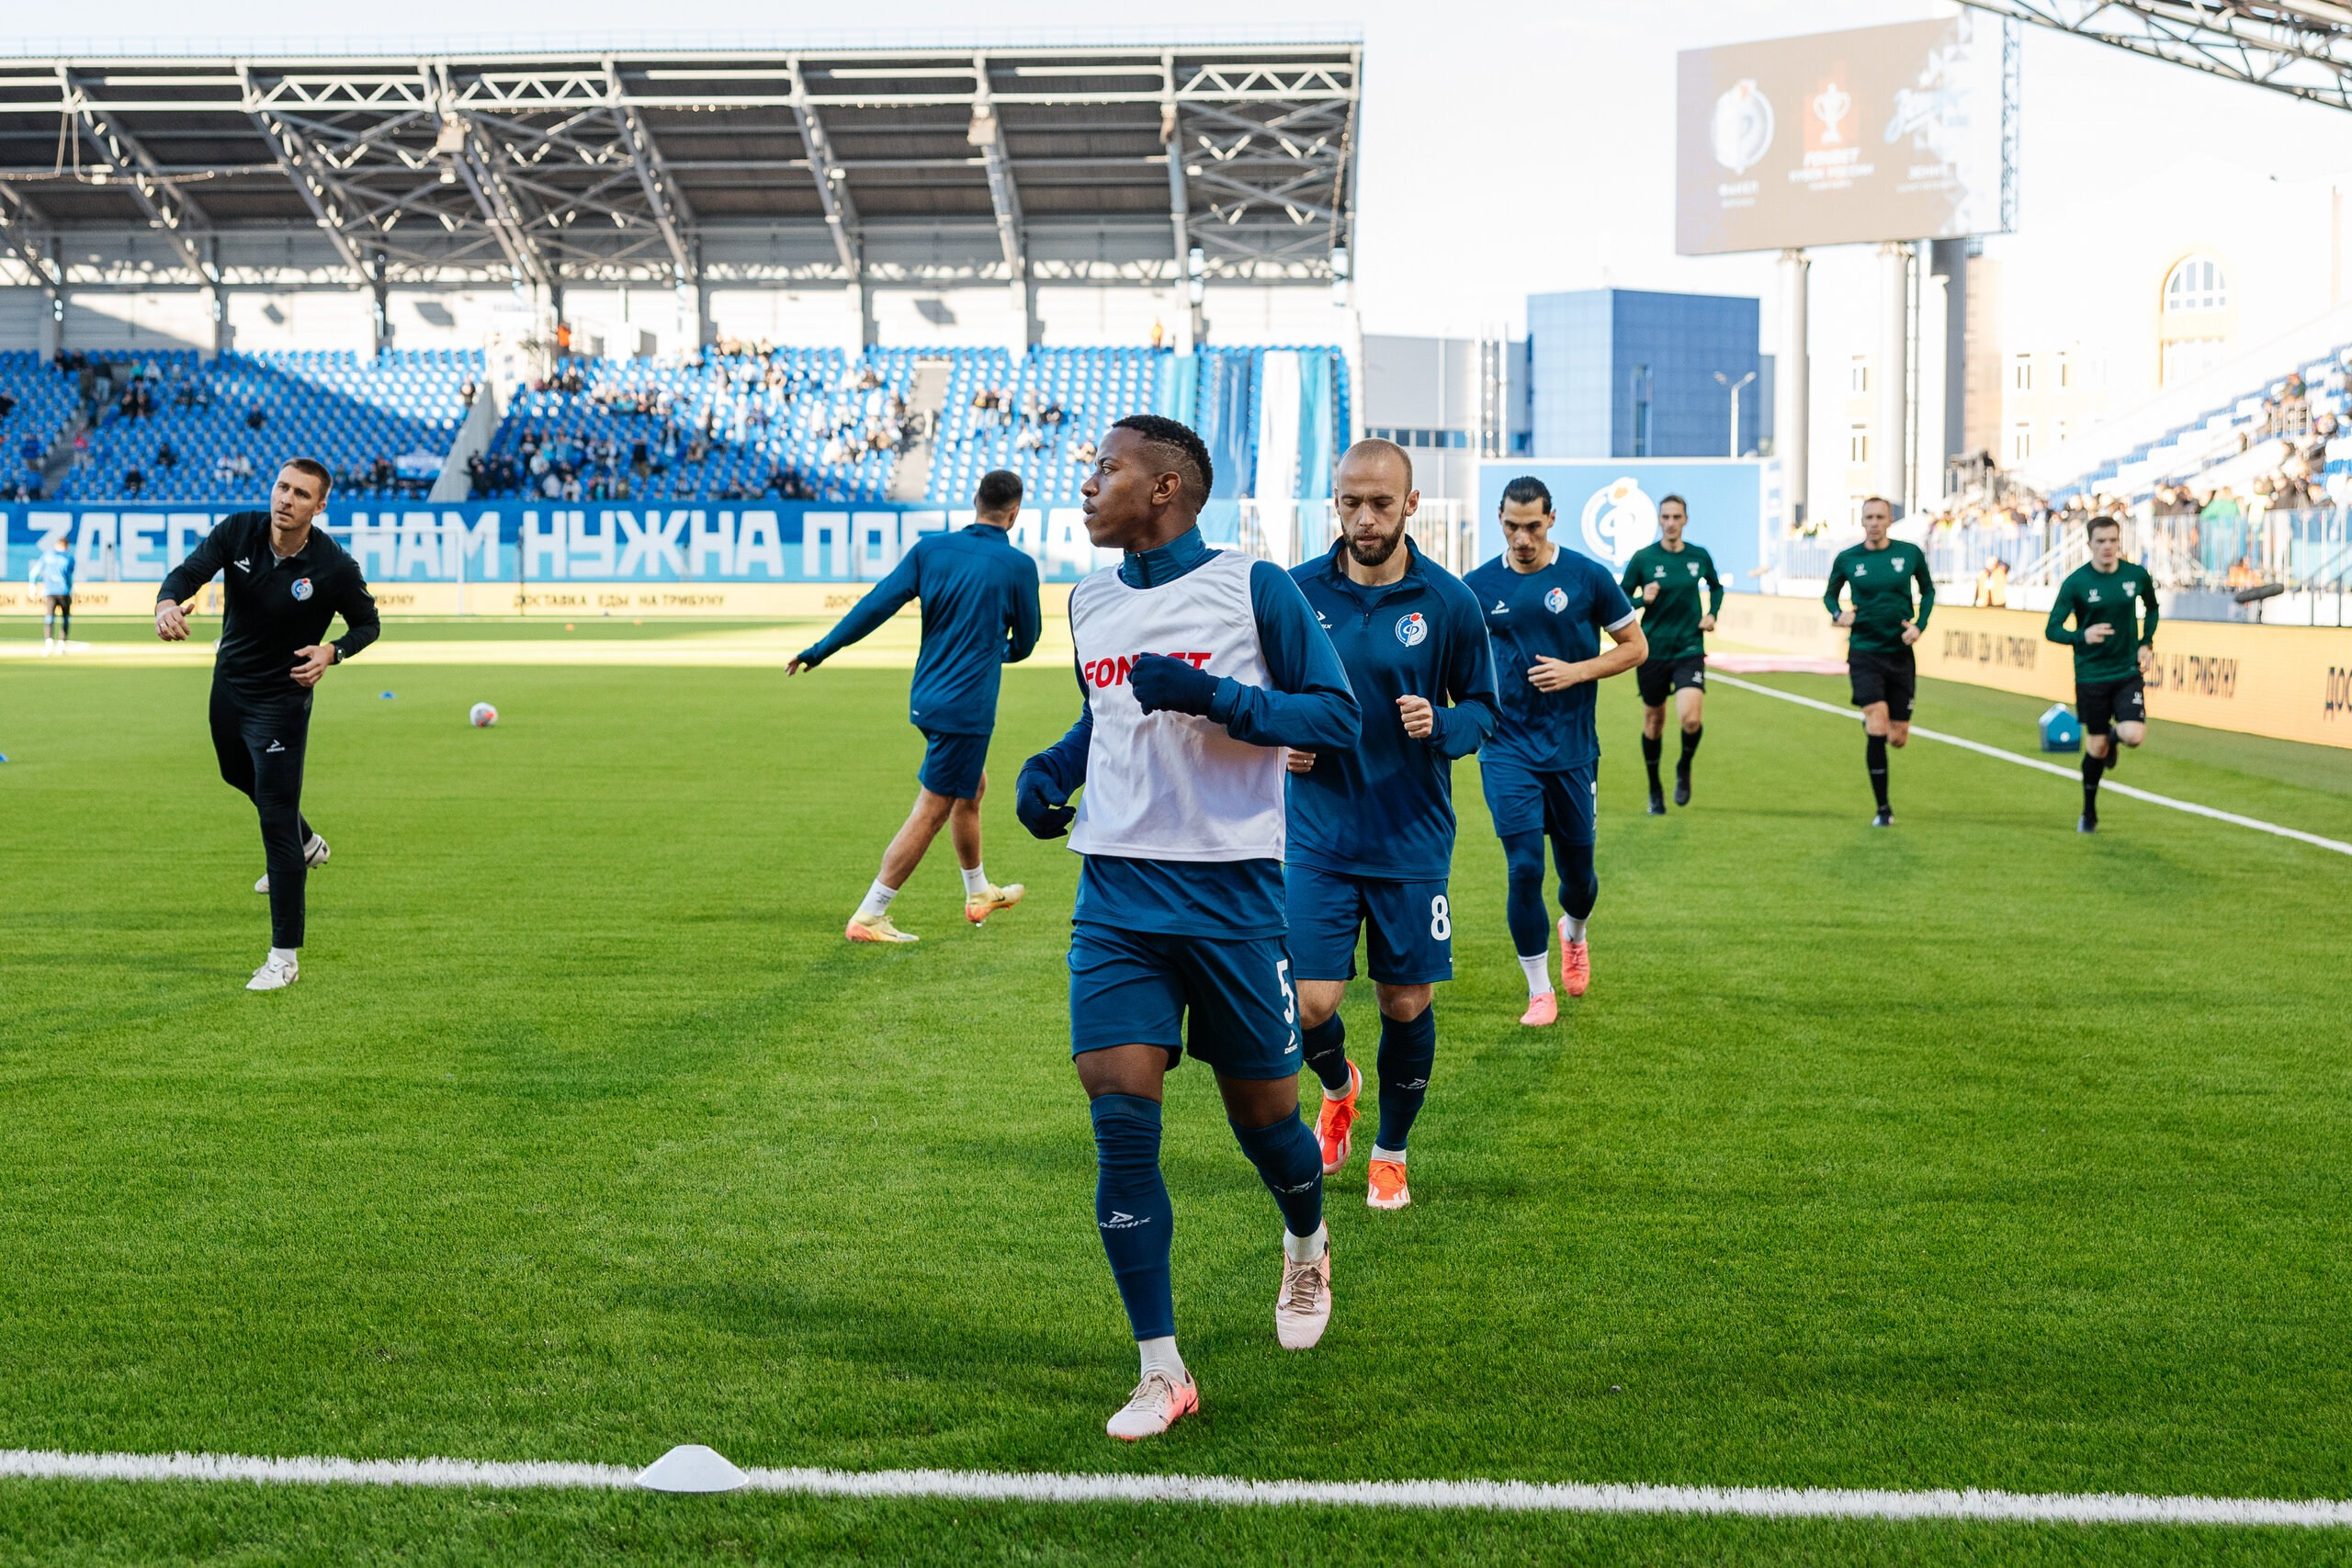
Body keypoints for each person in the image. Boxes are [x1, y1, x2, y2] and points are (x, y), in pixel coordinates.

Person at [1014, 414, 1360, 1441]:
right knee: (1121, 1131)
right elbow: (1105, 717)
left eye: (1106, 469)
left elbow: (1334, 719)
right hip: (1116, 896)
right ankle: (1162, 1370)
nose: (1086, 484)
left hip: (1233, 897)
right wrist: (1053, 769)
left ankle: (1305, 1243)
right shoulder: (1088, 599)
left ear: (1166, 487)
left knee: (1269, 1130)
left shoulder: (1253, 589)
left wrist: (1216, 698)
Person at [1284, 440, 1498, 1212]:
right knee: (1308, 1002)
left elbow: (1483, 713)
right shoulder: (1294, 593)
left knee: (1406, 1002)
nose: (1364, 518)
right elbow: (1255, 697)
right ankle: (1339, 1088)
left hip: (1410, 837)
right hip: (1317, 835)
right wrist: (1284, 738)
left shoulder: (1448, 601)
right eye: (1349, 502)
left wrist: (1439, 722)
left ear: (1412, 505)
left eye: (1380, 503)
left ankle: (1391, 1150)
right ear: (1333, 502)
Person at [154, 458, 380, 991]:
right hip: (229, 686)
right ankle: (307, 842)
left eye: (301, 494)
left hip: (283, 699)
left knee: (274, 819)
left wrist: (333, 650)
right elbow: (189, 572)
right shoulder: (239, 530)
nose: (286, 499)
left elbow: (368, 623)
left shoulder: (333, 567)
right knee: (235, 775)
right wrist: (167, 602)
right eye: (282, 487)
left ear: (319, 506)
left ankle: (284, 957)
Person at [789, 469, 1043, 941]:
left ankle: (979, 890)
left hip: (927, 697)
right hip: (968, 708)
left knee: (971, 790)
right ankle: (870, 914)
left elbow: (876, 605)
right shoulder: (1017, 567)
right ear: (1015, 511)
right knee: (933, 809)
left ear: (975, 501)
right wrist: (995, 650)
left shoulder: (931, 550)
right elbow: (1027, 643)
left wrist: (821, 649)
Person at [1463, 478, 1646, 1026]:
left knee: (1579, 879)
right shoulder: (1477, 586)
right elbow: (1456, 659)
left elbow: (1636, 646)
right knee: (1523, 870)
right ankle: (1539, 990)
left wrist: (1579, 671)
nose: (1522, 538)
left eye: (1533, 527)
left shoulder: (1587, 577)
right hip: (1507, 750)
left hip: (1572, 752)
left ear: (1552, 520)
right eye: (1512, 526)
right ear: (1500, 519)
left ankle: (1576, 932)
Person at [1823, 497, 1935, 828]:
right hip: (1864, 651)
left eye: (1880, 517)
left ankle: (1880, 724)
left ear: (1889, 520)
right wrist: (1837, 613)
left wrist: (1920, 625)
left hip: (1899, 653)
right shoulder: (1848, 558)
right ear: (1862, 521)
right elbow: (1830, 595)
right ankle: (1883, 809)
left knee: (1897, 737)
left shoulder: (1909, 553)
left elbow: (1928, 591)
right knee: (1876, 722)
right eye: (1868, 517)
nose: (1874, 522)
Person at [2045, 515, 2159, 833]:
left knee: (2133, 735)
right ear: (2090, 544)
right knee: (2095, 750)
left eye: (2113, 540)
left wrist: (2146, 642)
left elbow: (2152, 607)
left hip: (2126, 671)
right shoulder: (2077, 583)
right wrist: (2083, 634)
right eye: (2101, 541)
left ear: (2119, 541)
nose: (2108, 547)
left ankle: (2114, 735)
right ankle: (2089, 813)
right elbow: (2052, 629)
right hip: (2091, 674)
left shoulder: (2135, 575)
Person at [1618, 493, 1724, 813]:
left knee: (1691, 720)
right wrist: (1641, 601)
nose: (1671, 523)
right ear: (1659, 521)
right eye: (1666, 517)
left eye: (1677, 517)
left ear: (1685, 520)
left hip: (1689, 647)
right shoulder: (1644, 558)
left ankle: (1684, 766)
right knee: (1654, 723)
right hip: (1652, 650)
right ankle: (1654, 788)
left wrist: (1712, 613)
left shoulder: (1699, 556)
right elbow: (1620, 598)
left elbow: (1716, 587)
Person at [30, 532, 74, 655]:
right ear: (66, 546)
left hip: (50, 591)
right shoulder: (69, 558)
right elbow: (69, 576)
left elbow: (34, 573)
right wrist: (71, 588)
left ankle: (49, 644)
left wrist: (32, 586)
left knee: (50, 617)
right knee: (65, 618)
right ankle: (61, 645)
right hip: (64, 592)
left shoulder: (47, 556)